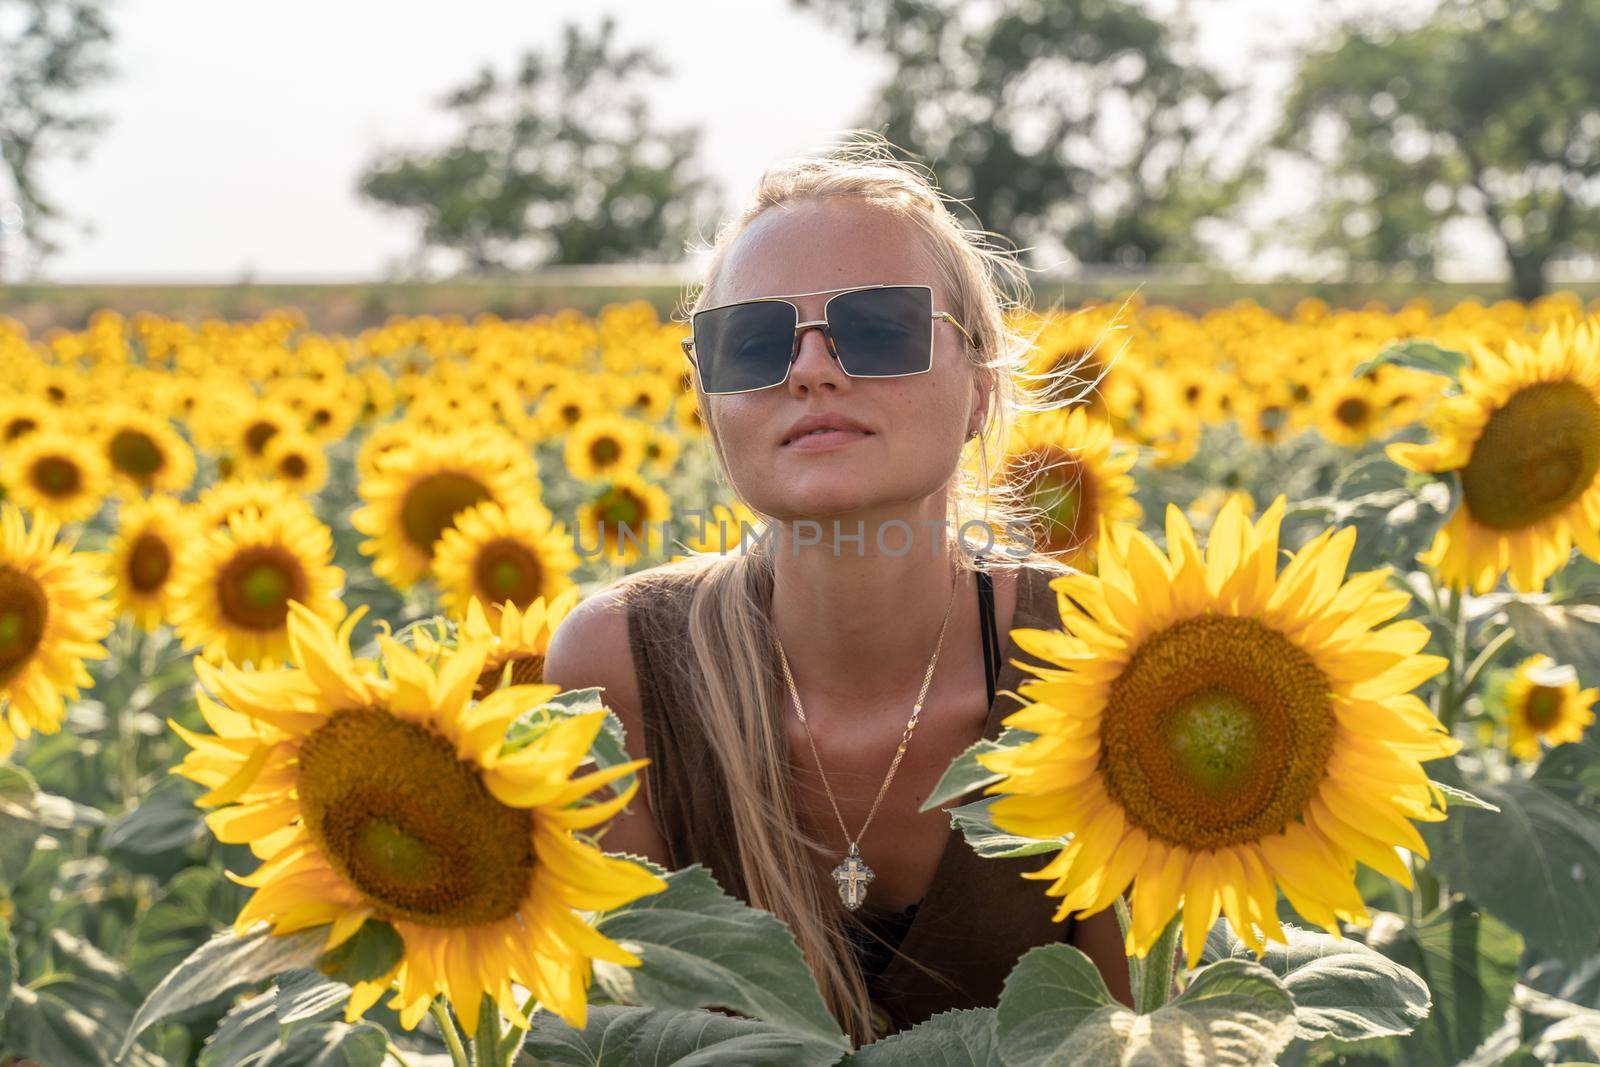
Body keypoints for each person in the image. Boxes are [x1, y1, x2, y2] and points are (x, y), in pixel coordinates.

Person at [544, 130, 1132, 1047]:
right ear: (708, 401)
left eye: (878, 327)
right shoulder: (619, 671)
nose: (812, 367)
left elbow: (1138, 1039)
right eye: (751, 342)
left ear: (979, 388)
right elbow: (623, 1039)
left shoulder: (1094, 658)